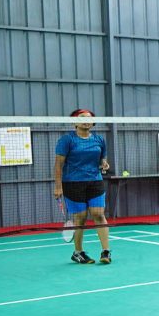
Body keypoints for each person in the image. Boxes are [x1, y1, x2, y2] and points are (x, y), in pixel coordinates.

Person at [52, 108, 112, 266]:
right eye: (82, 117)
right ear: (75, 122)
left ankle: (106, 251)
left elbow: (102, 159)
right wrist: (58, 186)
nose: (86, 120)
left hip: (95, 181)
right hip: (73, 183)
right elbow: (58, 165)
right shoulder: (67, 140)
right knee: (81, 217)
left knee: (98, 214)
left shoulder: (99, 139)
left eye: (89, 118)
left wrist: (104, 164)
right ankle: (78, 252)